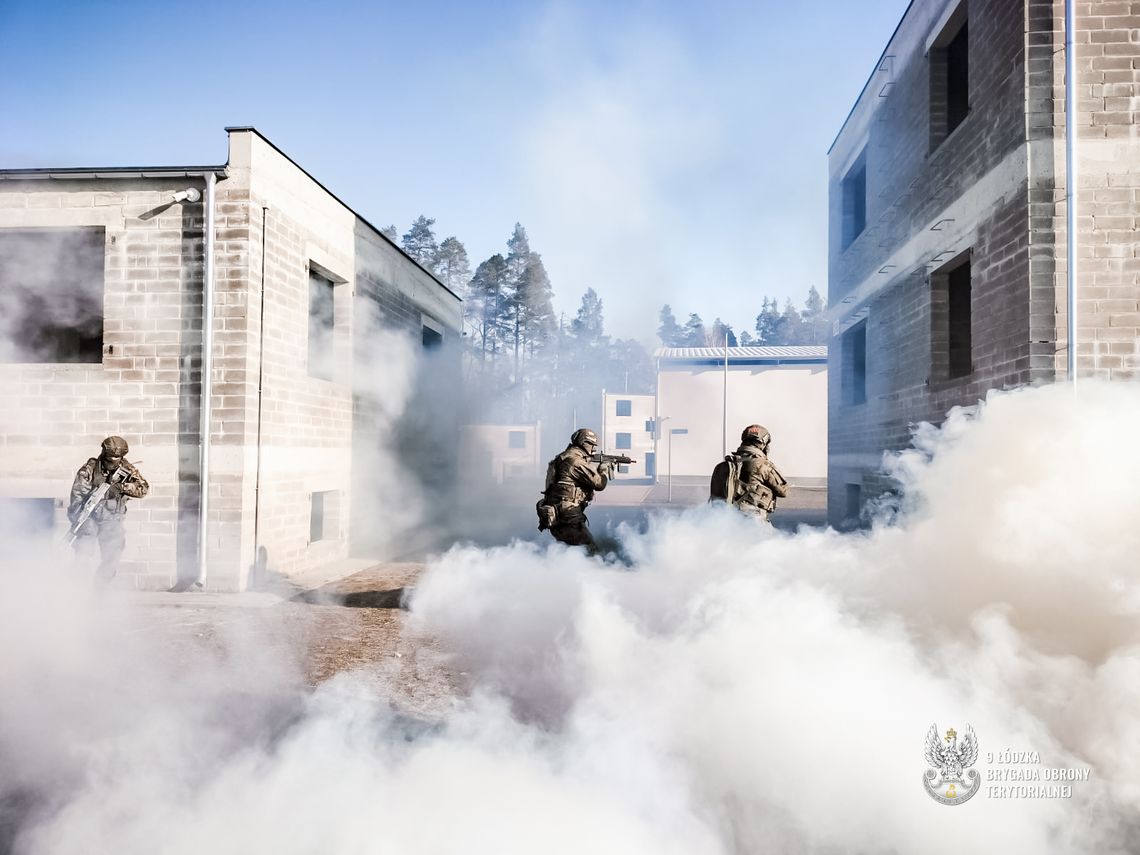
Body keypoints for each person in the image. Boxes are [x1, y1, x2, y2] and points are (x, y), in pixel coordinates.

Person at [68, 435, 149, 582]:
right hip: (89, 519)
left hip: (112, 520)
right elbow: (77, 496)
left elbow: (143, 489)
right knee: (82, 557)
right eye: (110, 458)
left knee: (111, 560)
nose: (112, 461)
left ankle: (100, 593)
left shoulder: (128, 469)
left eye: (117, 458)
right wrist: (79, 520)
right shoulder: (89, 469)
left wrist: (122, 487)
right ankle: (77, 591)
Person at [536, 428, 611, 552]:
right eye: (591, 444)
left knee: (568, 551)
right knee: (589, 551)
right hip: (568, 515)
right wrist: (603, 470)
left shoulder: (561, 458)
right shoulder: (575, 461)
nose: (594, 449)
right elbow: (599, 484)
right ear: (582, 442)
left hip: (555, 514)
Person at [710, 424, 788, 522]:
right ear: (763, 444)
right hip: (752, 520)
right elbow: (783, 491)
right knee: (776, 537)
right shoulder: (762, 465)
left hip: (725, 519)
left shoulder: (728, 464)